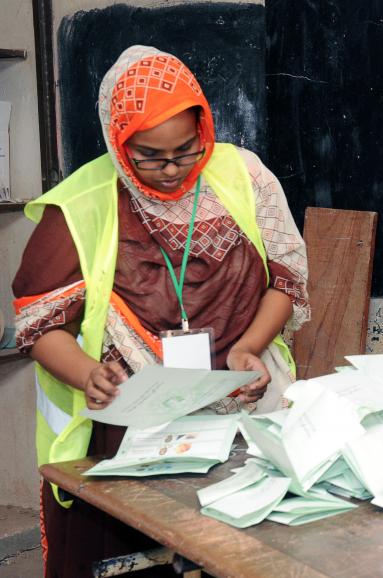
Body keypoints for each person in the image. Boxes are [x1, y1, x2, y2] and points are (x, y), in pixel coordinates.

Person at [14, 45, 309, 577]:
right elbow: (40, 324)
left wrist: (249, 347)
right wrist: (87, 375)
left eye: (187, 150)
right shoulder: (80, 205)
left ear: (205, 128)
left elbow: (285, 281)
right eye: (149, 155)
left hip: (243, 403)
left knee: (252, 551)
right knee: (145, 556)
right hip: (134, 425)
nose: (172, 170)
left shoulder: (245, 177)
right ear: (117, 142)